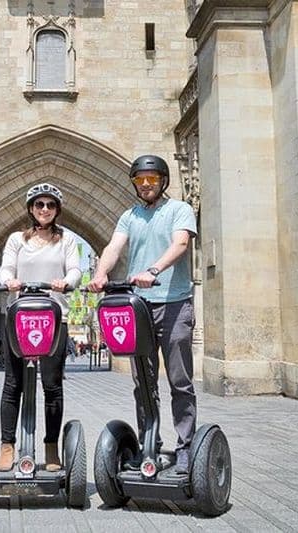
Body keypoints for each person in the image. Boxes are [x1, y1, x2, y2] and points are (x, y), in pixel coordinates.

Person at [87, 154, 197, 473]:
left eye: (152, 179)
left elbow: (180, 245)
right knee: (143, 383)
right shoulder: (129, 216)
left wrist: (153, 269)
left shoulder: (179, 210)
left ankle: (186, 447)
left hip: (174, 303)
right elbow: (113, 247)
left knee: (179, 380)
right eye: (140, 180)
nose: (146, 185)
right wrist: (100, 274)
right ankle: (151, 444)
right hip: (139, 306)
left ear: (163, 181)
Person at [0, 183, 81, 472]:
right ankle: (7, 445)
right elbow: (5, 267)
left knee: (52, 385)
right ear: (31, 209)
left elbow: (75, 270)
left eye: (50, 205)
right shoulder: (16, 239)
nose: (45, 209)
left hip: (54, 317)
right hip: (18, 317)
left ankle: (51, 446)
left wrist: (67, 282)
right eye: (39, 204)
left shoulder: (65, 240)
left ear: (57, 210)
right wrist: (9, 280)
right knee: (13, 383)